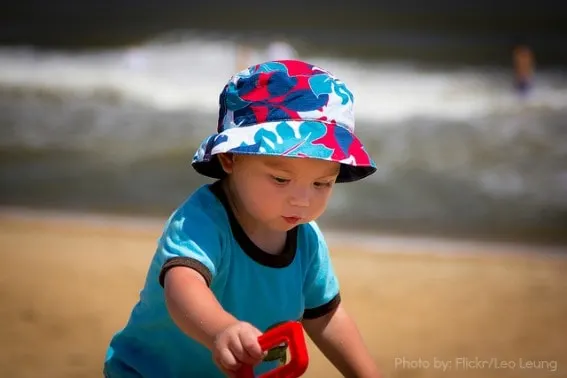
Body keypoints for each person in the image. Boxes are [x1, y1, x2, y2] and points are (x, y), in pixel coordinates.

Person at [104, 59, 381, 378]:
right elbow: (182, 285)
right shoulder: (203, 219)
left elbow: (325, 317)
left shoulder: (306, 238)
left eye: (322, 184)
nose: (302, 200)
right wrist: (221, 330)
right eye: (280, 179)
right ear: (230, 158)